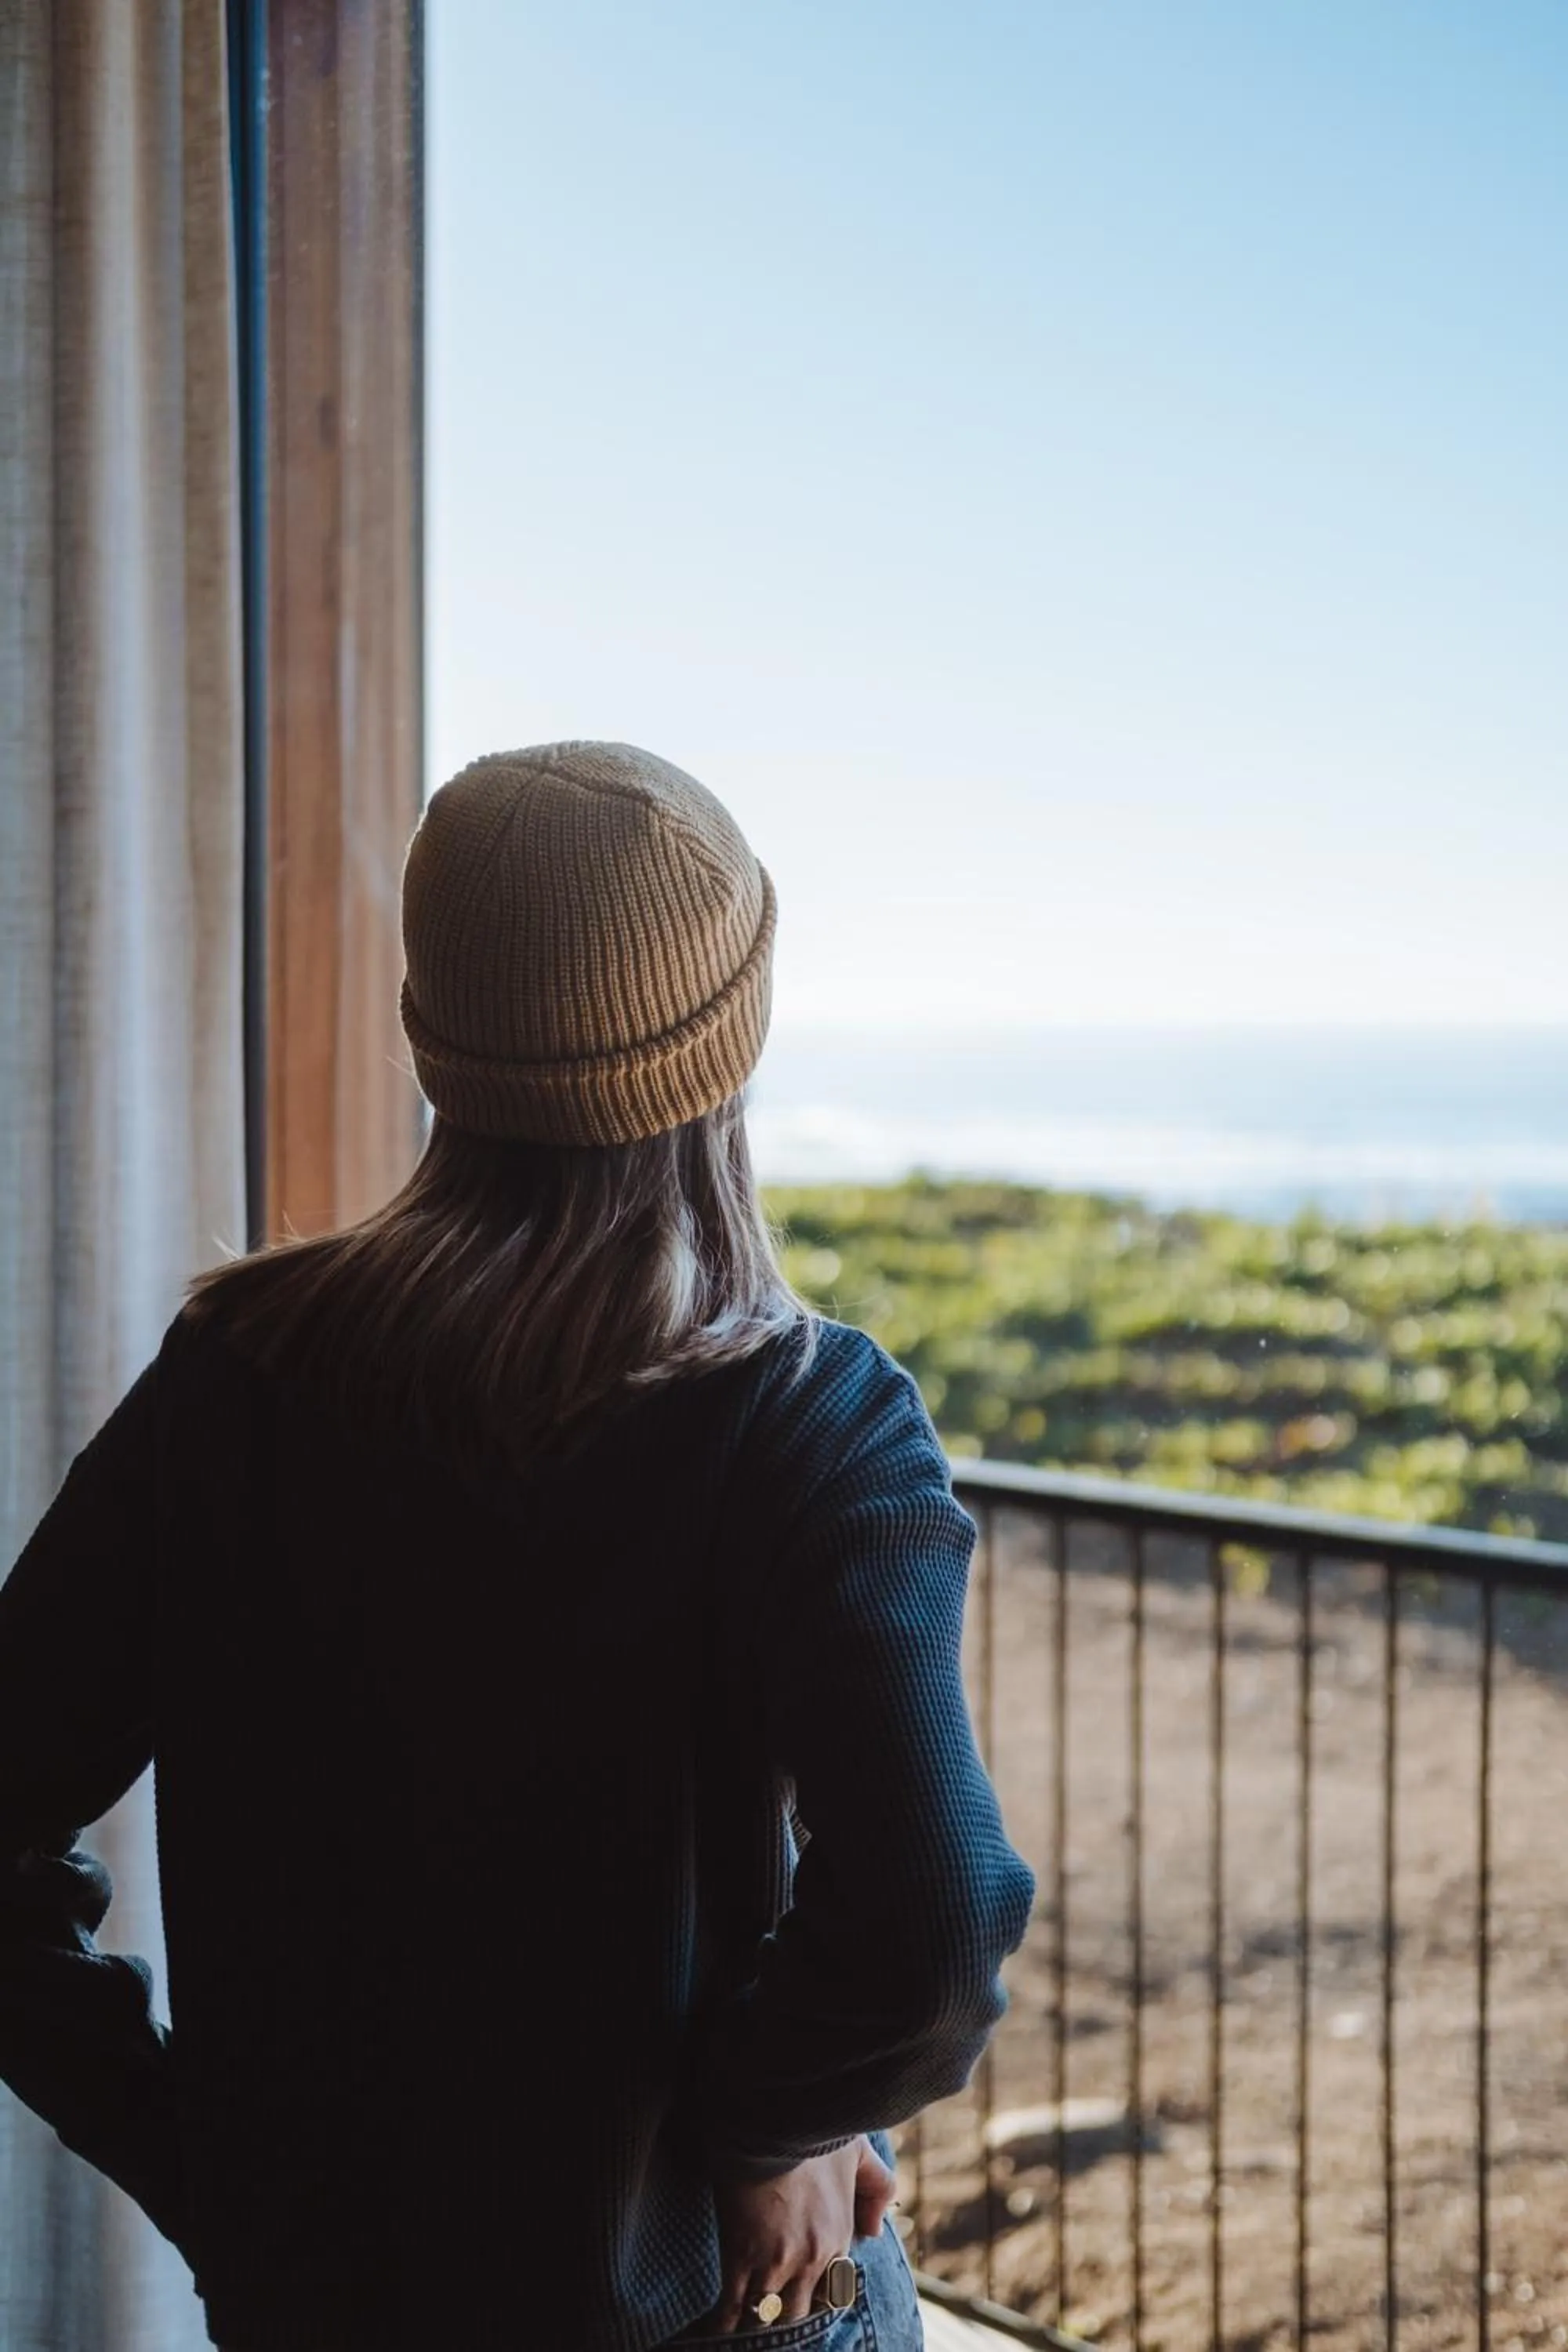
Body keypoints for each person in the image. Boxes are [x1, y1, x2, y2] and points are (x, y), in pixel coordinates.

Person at [0, 742, 1035, 2350]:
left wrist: (206, 2166)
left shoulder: (233, 1376)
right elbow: (929, 1926)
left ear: (434, 1034)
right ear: (732, 1034)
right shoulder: (809, 1419)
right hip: (711, 2314)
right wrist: (767, 2129)